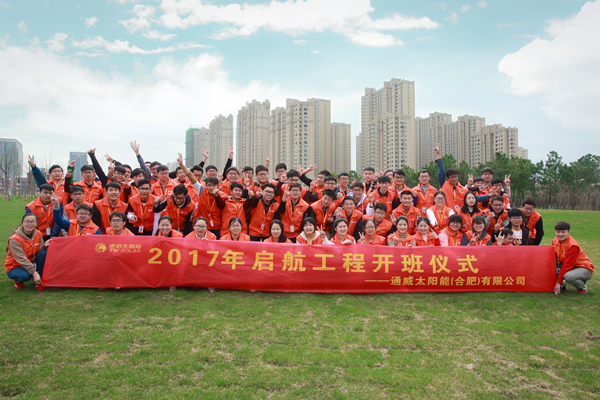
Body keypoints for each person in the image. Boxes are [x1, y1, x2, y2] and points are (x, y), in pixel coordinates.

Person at [4, 214, 49, 290]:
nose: (30, 224)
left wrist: (44, 246)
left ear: (36, 224)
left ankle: (40, 281)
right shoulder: (14, 239)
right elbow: (21, 259)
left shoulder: (38, 233)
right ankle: (18, 281)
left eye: (33, 221)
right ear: (22, 223)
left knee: (43, 253)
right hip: (16, 266)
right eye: (27, 221)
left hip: (31, 261)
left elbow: (38, 252)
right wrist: (34, 273)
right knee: (26, 275)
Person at [553, 221, 594, 295]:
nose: (560, 234)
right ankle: (561, 286)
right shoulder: (555, 240)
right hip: (568, 265)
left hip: (583, 268)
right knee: (550, 264)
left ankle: (582, 285)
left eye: (563, 232)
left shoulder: (573, 246)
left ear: (569, 232)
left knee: (568, 277)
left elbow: (567, 265)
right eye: (558, 232)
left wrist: (558, 282)